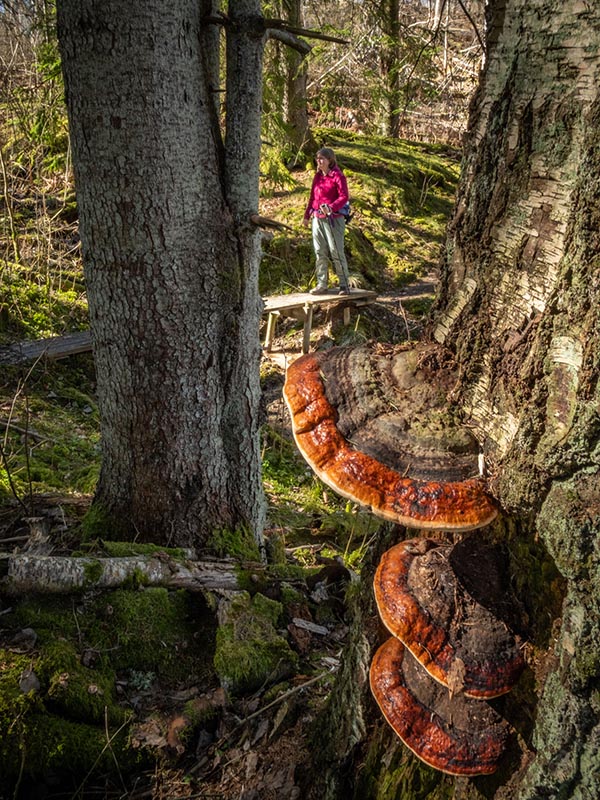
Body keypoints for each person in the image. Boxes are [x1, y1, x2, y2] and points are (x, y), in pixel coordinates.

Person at [303, 147, 351, 296]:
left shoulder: (338, 176)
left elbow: (344, 197)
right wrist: (306, 216)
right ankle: (321, 284)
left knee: (336, 251)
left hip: (334, 220)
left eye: (322, 159)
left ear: (330, 160)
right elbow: (312, 197)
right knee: (319, 252)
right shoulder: (317, 177)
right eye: (317, 159)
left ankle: (344, 285)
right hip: (317, 218)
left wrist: (331, 207)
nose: (319, 161)